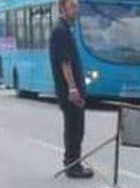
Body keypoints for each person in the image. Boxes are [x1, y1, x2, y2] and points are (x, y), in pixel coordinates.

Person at [49, 0, 93, 178]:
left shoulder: (66, 30)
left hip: (71, 88)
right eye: (72, 6)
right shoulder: (61, 32)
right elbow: (65, 62)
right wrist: (73, 89)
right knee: (74, 128)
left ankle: (74, 162)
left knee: (76, 127)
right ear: (63, 8)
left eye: (77, 6)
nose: (76, 10)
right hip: (69, 90)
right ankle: (72, 165)